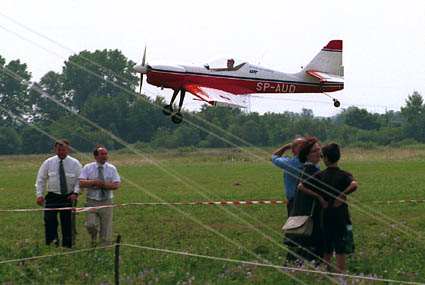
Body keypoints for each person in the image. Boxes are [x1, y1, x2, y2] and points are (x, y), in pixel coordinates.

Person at [298, 142, 358, 273]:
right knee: (340, 248)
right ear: (339, 157)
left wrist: (319, 197)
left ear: (325, 158)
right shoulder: (344, 174)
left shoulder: (320, 175)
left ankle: (325, 272)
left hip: (325, 217)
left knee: (327, 247)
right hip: (341, 217)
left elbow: (301, 186)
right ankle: (339, 274)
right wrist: (341, 196)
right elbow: (354, 185)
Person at [35, 139, 82, 248]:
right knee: (49, 220)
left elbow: (80, 180)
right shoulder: (48, 162)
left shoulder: (75, 164)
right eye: (59, 150)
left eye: (63, 150)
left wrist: (76, 193)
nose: (61, 152)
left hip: (69, 197)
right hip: (52, 197)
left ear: (68, 150)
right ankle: (52, 242)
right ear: (55, 150)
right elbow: (41, 179)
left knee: (67, 223)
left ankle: (68, 245)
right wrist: (39, 195)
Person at [286, 136, 323, 265]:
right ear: (307, 155)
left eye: (319, 149)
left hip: (301, 218)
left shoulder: (305, 169)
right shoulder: (311, 171)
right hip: (309, 219)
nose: (319, 153)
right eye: (314, 151)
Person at [77, 145, 120, 246]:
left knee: (106, 228)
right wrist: (94, 182)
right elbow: (81, 183)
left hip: (106, 201)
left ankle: (104, 249)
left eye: (106, 154)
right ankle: (93, 235)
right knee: (90, 224)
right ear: (95, 156)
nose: (104, 156)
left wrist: (102, 185)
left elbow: (115, 185)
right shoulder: (88, 167)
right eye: (102, 154)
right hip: (91, 201)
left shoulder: (112, 168)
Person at [271, 137, 305, 216]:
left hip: (294, 202)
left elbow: (274, 157)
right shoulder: (313, 164)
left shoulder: (290, 164)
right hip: (310, 201)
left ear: (293, 150)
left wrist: (285, 147)